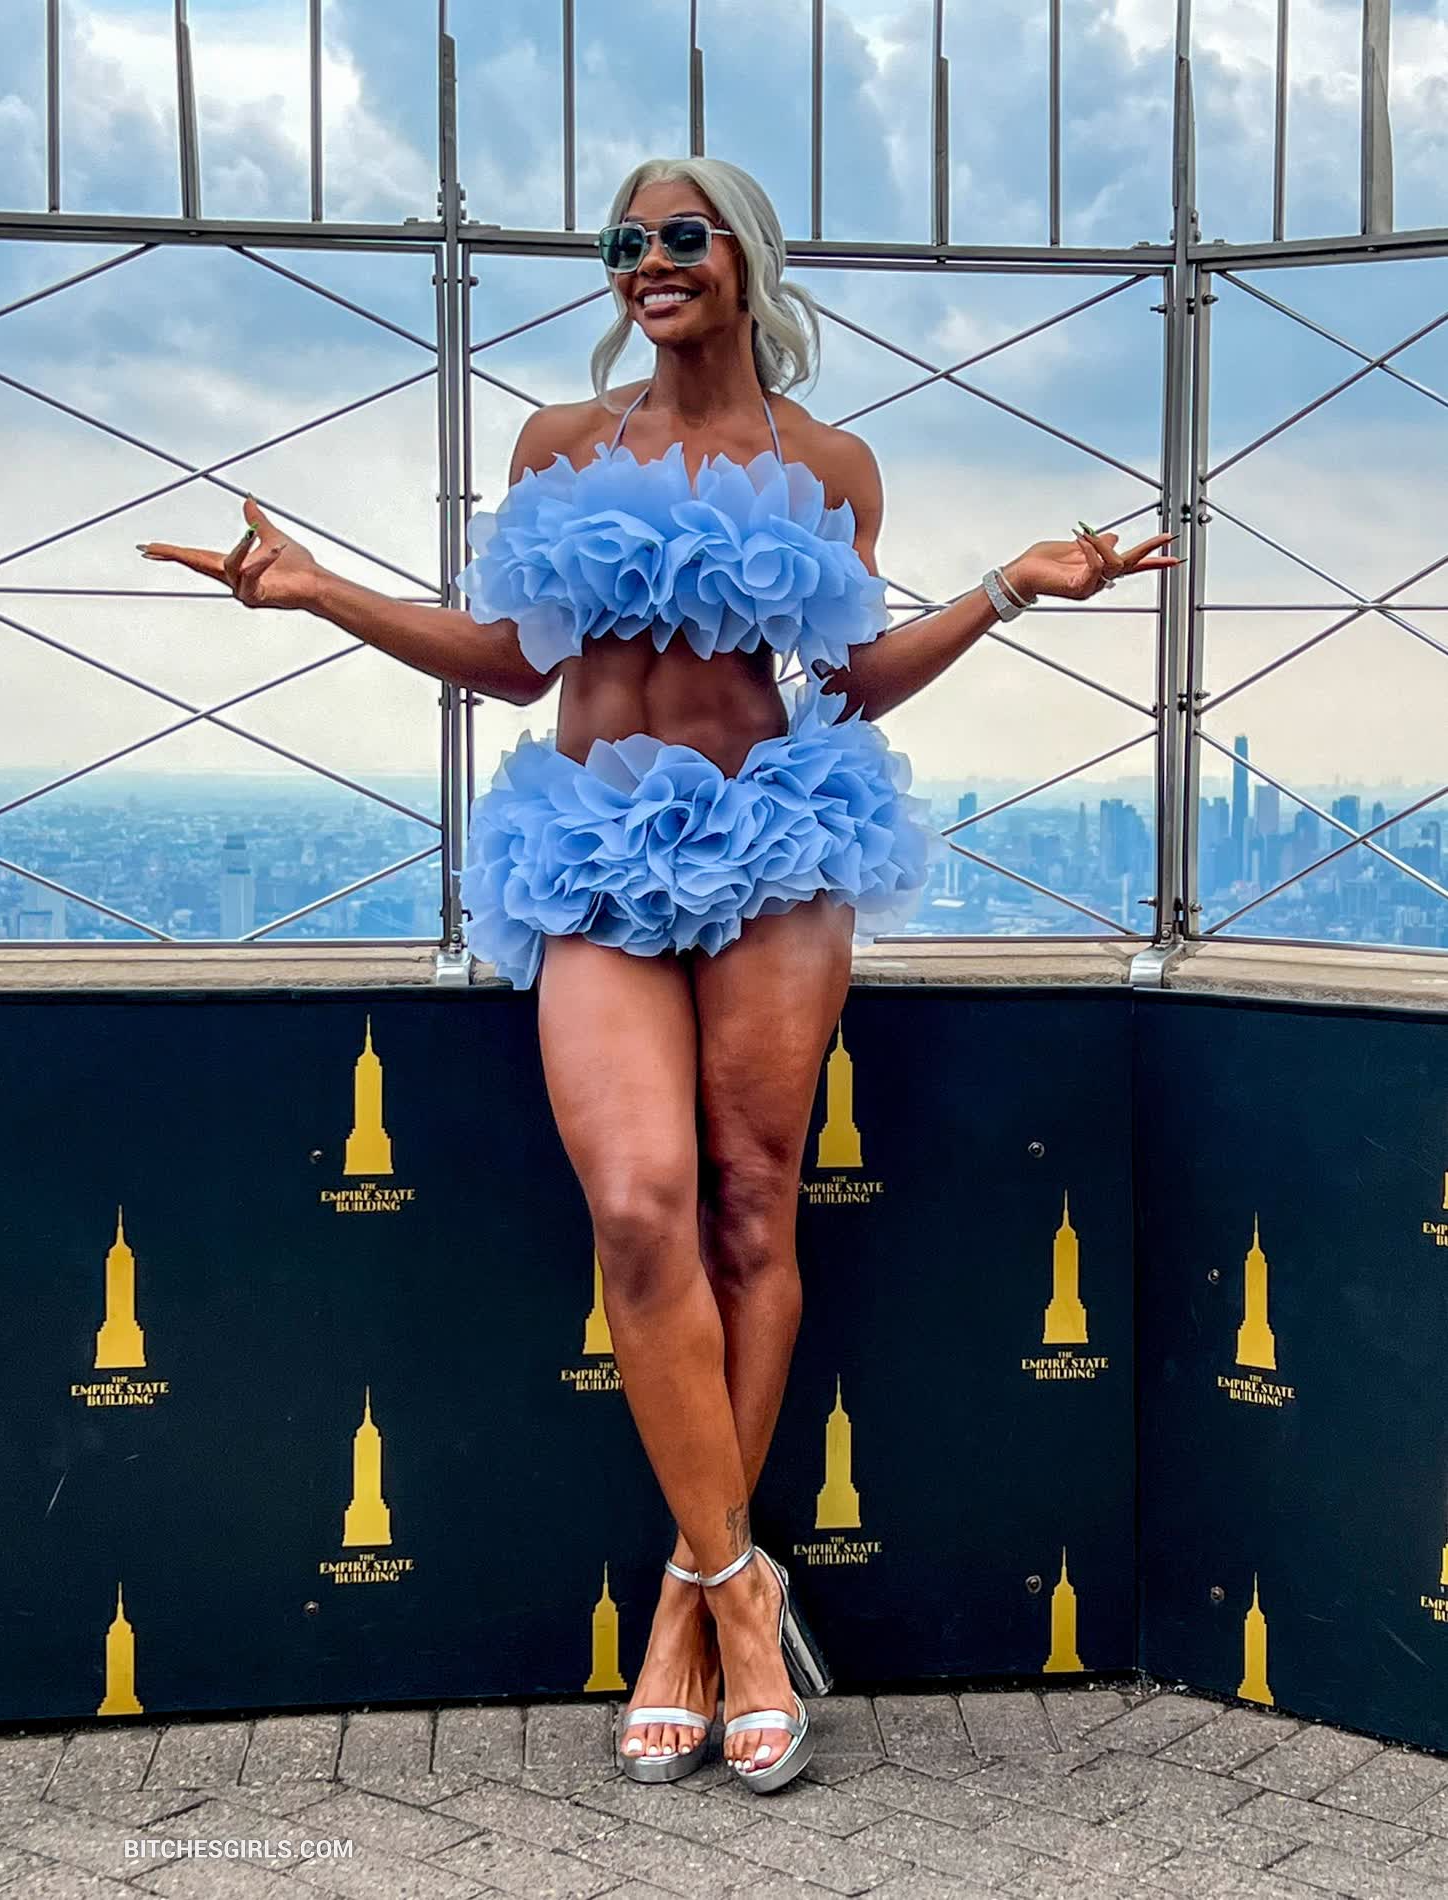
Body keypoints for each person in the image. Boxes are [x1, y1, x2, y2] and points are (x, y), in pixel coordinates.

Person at [139, 154, 1176, 1794]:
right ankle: (746, 1584)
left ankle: (694, 1620)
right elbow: (511, 666)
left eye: (679, 235)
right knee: (639, 1207)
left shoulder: (827, 462)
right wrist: (319, 591)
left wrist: (1004, 591)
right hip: (589, 847)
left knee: (756, 1209)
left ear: (745, 255)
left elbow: (853, 678)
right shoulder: (558, 442)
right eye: (624, 241)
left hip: (774, 840)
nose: (646, 260)